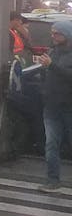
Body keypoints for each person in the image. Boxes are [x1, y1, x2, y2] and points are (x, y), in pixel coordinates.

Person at [34, 21, 72, 192]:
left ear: (67, 35)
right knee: (51, 143)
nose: (53, 36)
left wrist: (52, 66)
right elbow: (49, 74)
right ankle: (52, 180)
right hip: (51, 106)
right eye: (52, 33)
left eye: (57, 33)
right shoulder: (52, 52)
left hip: (69, 106)